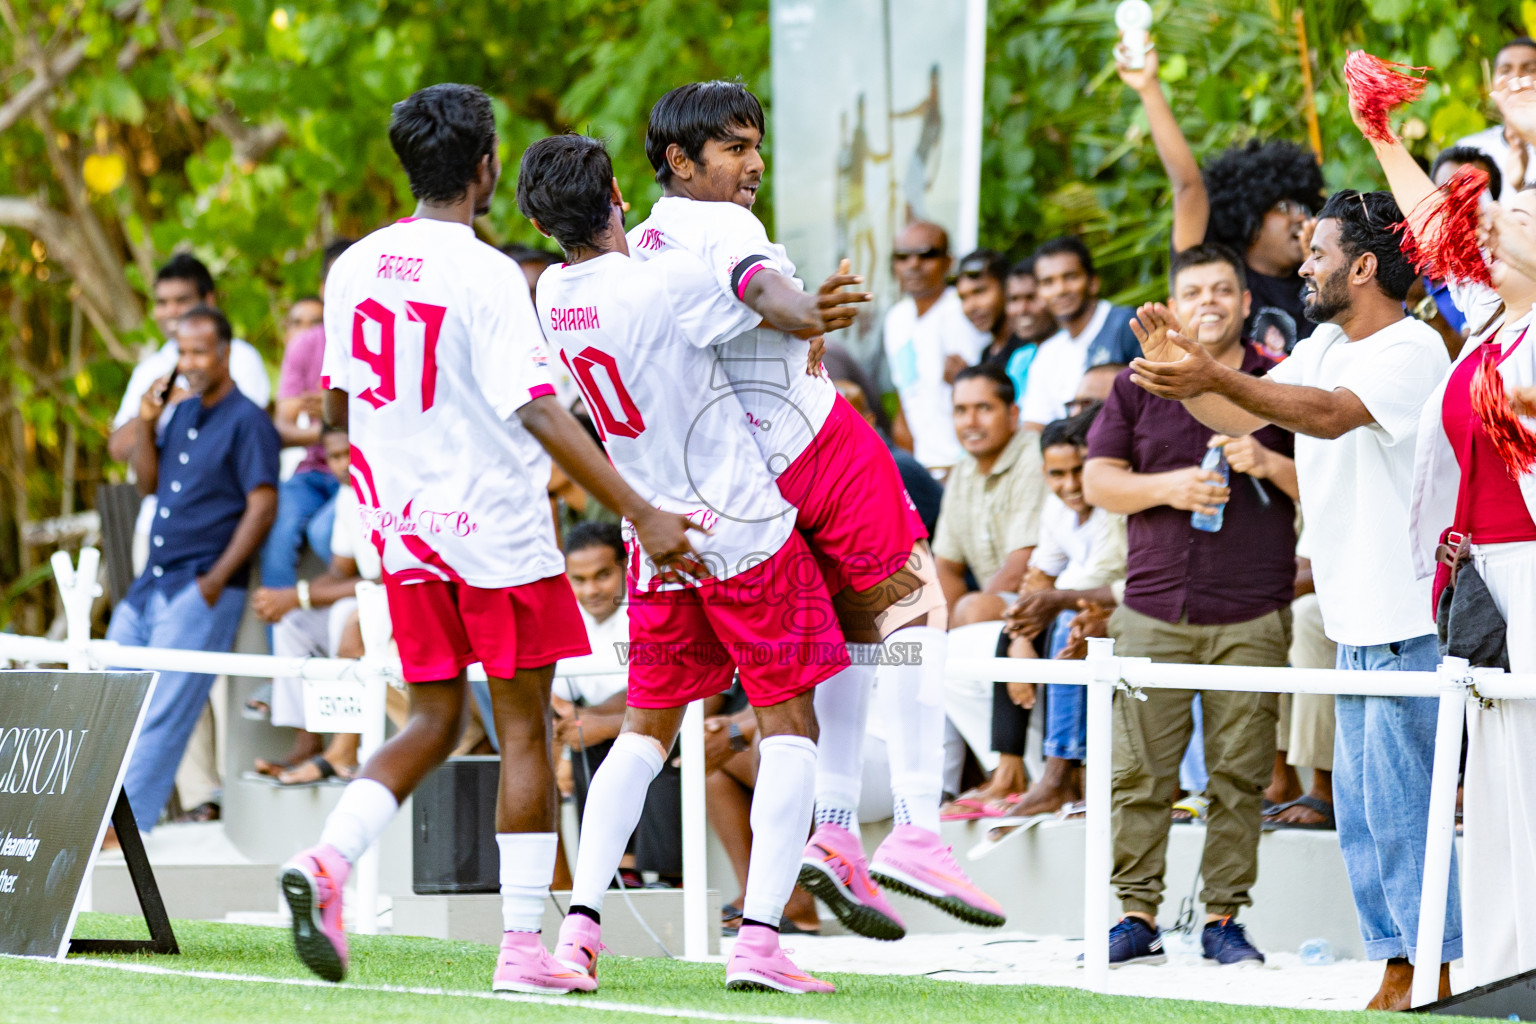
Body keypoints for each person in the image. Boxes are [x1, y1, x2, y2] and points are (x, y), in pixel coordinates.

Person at [279, 84, 702, 996]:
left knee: (434, 719)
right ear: (484, 167)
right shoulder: (486, 274)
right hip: (497, 535)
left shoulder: (352, 266)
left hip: (401, 531)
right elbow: (538, 410)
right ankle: (520, 951)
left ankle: (327, 860)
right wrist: (644, 514)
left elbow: (341, 409)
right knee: (520, 734)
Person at [628, 80, 1003, 945]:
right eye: (732, 148)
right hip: (819, 444)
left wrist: (799, 320)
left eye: (756, 143)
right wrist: (811, 312)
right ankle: (914, 828)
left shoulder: (641, 242)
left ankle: (835, 831)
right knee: (919, 607)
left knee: (854, 644)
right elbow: (766, 291)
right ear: (681, 161)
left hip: (749, 473)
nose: (753, 163)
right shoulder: (722, 225)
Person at [520, 133, 851, 994]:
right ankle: (762, 938)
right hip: (742, 524)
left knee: (645, 731)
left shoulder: (552, 293)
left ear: (536, 221)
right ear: (620, 193)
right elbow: (768, 308)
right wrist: (812, 321)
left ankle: (581, 931)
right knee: (791, 727)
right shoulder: (661, 280)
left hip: (652, 538)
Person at [1126, 191, 1457, 1007]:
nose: (1304, 267)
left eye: (1318, 253)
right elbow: (1243, 401)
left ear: (1365, 265)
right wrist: (1182, 379)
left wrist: (1210, 372)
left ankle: (1432, 972)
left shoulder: (1413, 349)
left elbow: (1330, 417)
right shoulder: (1326, 343)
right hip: (1356, 623)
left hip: (1412, 622)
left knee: (1404, 812)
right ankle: (1401, 965)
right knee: (1368, 812)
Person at [1082, 243, 1299, 967]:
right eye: (1194, 291)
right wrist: (1169, 489)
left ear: (1245, 302)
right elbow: (1098, 483)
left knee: (1240, 776)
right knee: (1140, 773)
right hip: (1153, 609)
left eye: (1222, 290)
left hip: (1252, 610)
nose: (1208, 301)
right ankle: (1136, 915)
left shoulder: (1283, 382)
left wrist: (1268, 461)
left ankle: (1223, 920)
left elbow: (1327, 483)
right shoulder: (1137, 383)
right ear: (1173, 307)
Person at [1366, 108, 1536, 989]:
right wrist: (1382, 134)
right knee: (1501, 791)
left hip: (1533, 571)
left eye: (1522, 219)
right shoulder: (1489, 324)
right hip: (1480, 576)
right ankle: (1508, 977)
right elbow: (1438, 237)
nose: (1495, 233)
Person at [106, 306, 280, 836]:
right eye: (183, 352)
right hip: (152, 581)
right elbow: (145, 485)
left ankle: (124, 828)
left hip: (203, 584)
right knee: (107, 694)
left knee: (165, 709)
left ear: (226, 354)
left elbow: (263, 503)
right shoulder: (178, 413)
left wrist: (214, 581)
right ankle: (93, 810)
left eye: (201, 352)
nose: (190, 363)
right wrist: (148, 422)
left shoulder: (248, 420)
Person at [1116, 41, 1323, 346]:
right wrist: (1149, 88)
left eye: (1303, 206)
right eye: (1282, 206)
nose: (1299, 216)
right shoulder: (1215, 270)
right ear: (1247, 215)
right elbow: (1188, 186)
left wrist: (1319, 266)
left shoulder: (1327, 273)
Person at [998, 407, 1119, 817]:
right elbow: (1039, 580)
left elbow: (1080, 592)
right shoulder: (1056, 510)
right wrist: (1018, 641)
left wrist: (1047, 601)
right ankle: (1010, 770)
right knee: (1011, 629)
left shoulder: (1113, 502)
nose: (1070, 485)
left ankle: (1058, 775)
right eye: (1057, 474)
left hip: (1121, 608)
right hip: (1087, 602)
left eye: (1079, 470)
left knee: (1067, 618)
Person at [549, 522, 683, 888]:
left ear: (626, 565)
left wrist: (593, 721)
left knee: (644, 739)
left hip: (665, 721)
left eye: (602, 575)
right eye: (579, 579)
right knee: (585, 739)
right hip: (590, 735)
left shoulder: (642, 606)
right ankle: (617, 869)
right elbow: (560, 696)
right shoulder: (568, 618)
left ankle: (669, 877)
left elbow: (650, 688)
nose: (590, 590)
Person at [251, 425, 374, 786]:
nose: (342, 465)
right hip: (366, 599)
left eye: (348, 454)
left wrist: (298, 596)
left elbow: (385, 581)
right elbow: (340, 569)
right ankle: (307, 742)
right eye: (334, 457)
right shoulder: (348, 496)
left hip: (393, 604)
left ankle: (344, 753)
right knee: (292, 623)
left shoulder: (387, 488)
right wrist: (288, 601)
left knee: (342, 618)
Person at [107, 254, 272, 465]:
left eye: (182, 300)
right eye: (162, 302)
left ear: (209, 301)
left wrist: (195, 403)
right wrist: (155, 410)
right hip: (158, 496)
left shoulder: (240, 357)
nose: (171, 311)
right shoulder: (149, 369)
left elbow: (253, 434)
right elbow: (118, 450)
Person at [934, 364, 1045, 621]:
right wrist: (943, 628)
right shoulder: (963, 468)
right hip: (991, 604)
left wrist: (963, 622)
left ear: (1012, 414)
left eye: (984, 408)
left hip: (1042, 601)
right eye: (961, 411)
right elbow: (946, 565)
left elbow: (1020, 568)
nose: (970, 422)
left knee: (973, 609)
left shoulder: (1033, 456)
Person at [883, 220, 990, 473]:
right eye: (902, 257)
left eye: (926, 254)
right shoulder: (896, 318)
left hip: (965, 466)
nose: (913, 265)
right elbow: (904, 399)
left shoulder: (964, 310)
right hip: (924, 468)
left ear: (948, 262)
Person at [1018, 236, 1142, 431]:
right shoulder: (1048, 352)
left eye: (1070, 277)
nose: (1060, 290)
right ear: (1040, 293)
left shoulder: (1131, 326)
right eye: (1048, 282)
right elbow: (1034, 427)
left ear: (1093, 282)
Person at [262, 320, 339, 602]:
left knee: (323, 532)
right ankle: (281, 627)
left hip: (361, 472)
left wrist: (339, 410)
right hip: (313, 470)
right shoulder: (307, 345)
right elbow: (281, 428)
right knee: (277, 531)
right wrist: (329, 427)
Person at [1454, 36, 1536, 200]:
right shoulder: (1469, 151)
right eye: (1505, 70)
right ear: (1492, 83)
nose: (1516, 77)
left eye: (1530, 69)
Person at [993, 257, 1056, 400]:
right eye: (1014, 299)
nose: (1022, 309)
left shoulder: (1075, 349)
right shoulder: (1020, 359)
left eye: (1031, 297)